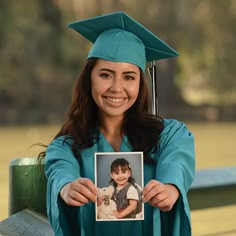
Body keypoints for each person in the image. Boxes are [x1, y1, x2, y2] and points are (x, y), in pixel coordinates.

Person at [43, 11, 195, 236]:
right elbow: (60, 171)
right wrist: (67, 188)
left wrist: (170, 188)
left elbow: (177, 164)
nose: (116, 87)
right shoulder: (66, 146)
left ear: (140, 84)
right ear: (89, 78)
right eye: (105, 75)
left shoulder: (168, 135)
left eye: (129, 77)